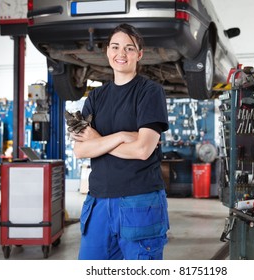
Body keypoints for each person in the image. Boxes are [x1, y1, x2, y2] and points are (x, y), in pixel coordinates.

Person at [70, 23, 170, 260]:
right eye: (115, 47)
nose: (121, 54)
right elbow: (81, 150)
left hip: (139, 201)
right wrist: (123, 136)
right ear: (107, 51)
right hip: (98, 203)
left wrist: (99, 142)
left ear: (139, 55)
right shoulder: (95, 97)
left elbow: (143, 150)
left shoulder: (150, 92)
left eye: (129, 48)